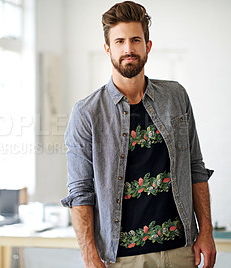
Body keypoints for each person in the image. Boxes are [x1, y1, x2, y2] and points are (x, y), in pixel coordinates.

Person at [61, 1, 216, 267]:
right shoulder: (87, 113)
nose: (128, 49)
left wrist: (207, 232)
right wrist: (89, 256)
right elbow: (80, 191)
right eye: (119, 41)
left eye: (135, 40)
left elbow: (195, 168)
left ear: (148, 46)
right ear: (108, 49)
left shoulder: (175, 96)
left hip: (180, 250)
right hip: (123, 259)